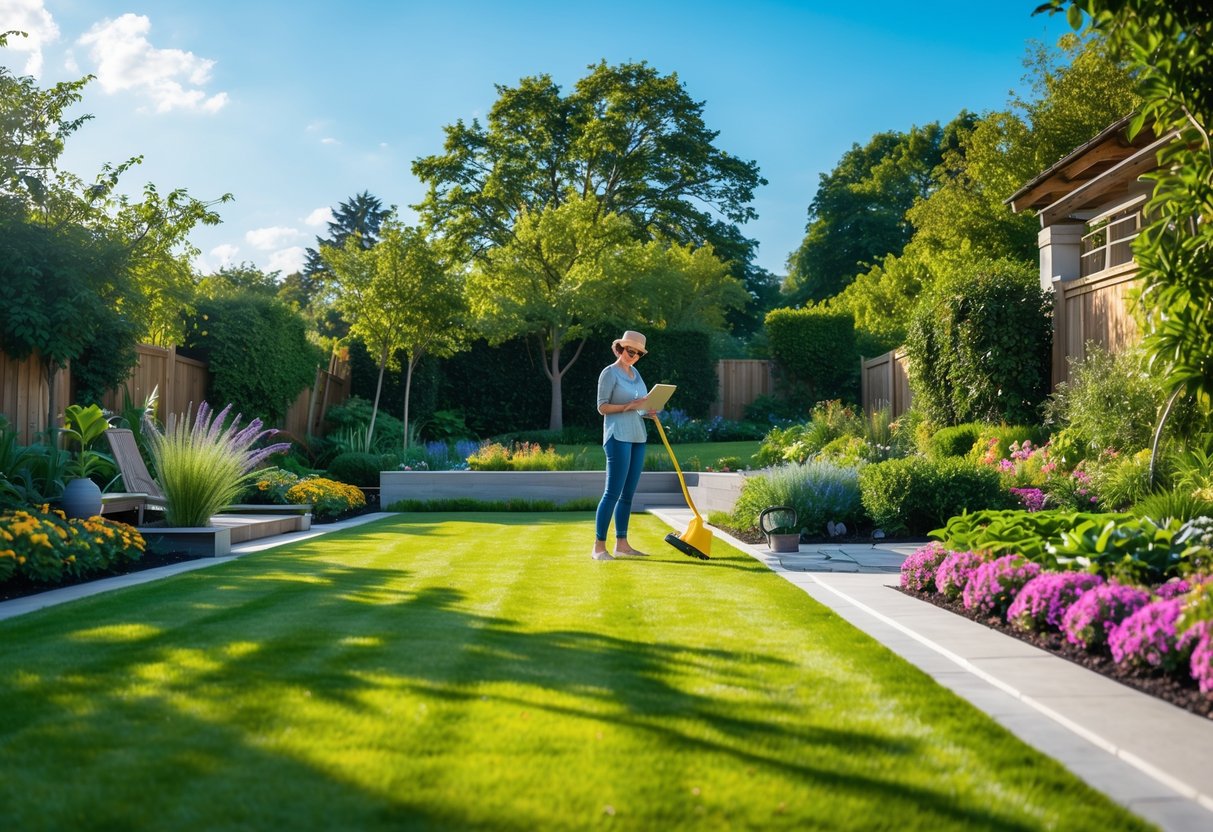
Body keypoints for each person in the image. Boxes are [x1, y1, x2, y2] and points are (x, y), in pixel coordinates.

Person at [591, 330, 660, 561]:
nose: (634, 356)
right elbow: (602, 407)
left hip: (637, 436)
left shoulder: (636, 373)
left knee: (628, 494)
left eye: (638, 353)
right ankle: (599, 548)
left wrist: (648, 410)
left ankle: (622, 544)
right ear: (620, 349)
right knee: (612, 493)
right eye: (631, 351)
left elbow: (640, 404)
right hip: (617, 436)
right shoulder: (609, 373)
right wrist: (628, 406)